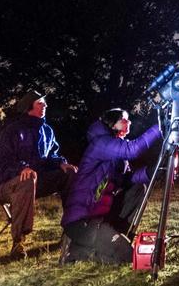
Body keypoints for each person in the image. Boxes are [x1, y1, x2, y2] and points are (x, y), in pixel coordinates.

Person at [61, 108, 162, 264]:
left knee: (137, 189)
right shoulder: (101, 143)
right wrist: (159, 128)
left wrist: (151, 172)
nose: (128, 122)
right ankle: (83, 249)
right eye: (124, 119)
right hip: (82, 219)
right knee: (126, 255)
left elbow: (128, 179)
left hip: (100, 217)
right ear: (112, 124)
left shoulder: (116, 150)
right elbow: (133, 149)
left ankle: (98, 243)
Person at [0, 90, 78, 258]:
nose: (45, 105)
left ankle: (71, 232)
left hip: (36, 181)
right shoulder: (12, 131)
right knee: (28, 178)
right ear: (30, 106)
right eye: (40, 102)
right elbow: (1, 163)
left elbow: (51, 156)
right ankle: (18, 243)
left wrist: (61, 163)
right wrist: (21, 169)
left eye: (44, 103)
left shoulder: (47, 131)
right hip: (6, 184)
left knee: (70, 174)